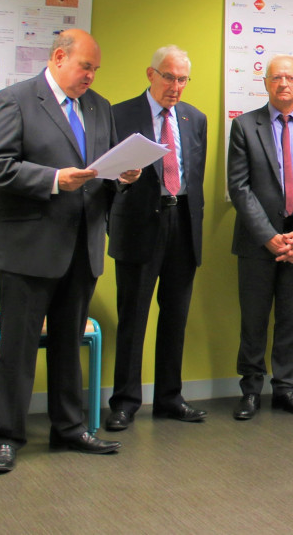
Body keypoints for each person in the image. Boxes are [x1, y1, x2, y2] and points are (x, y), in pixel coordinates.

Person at [0, 29, 137, 474]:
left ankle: (69, 428)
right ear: (59, 57)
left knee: (70, 343)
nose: (91, 75)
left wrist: (122, 177)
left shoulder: (99, 107)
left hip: (82, 243)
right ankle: (6, 436)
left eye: (95, 69)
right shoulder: (16, 99)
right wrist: (53, 180)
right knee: (19, 347)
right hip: (28, 245)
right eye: (85, 66)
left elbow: (100, 169)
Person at [104, 45, 209, 431]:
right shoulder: (120, 114)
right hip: (138, 224)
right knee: (134, 317)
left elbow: (193, 178)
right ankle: (126, 401)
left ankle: (169, 397)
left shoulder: (195, 118)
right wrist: (120, 178)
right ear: (151, 74)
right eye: (169, 77)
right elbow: (104, 176)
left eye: (183, 79)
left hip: (181, 222)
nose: (176, 86)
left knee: (176, 316)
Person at [226, 54, 293, 420]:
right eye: (276, 78)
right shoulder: (244, 127)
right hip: (258, 243)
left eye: (290, 77)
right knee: (254, 320)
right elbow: (239, 188)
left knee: (291, 319)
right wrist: (271, 237)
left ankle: (286, 388)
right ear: (266, 83)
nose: (283, 83)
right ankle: (251, 390)